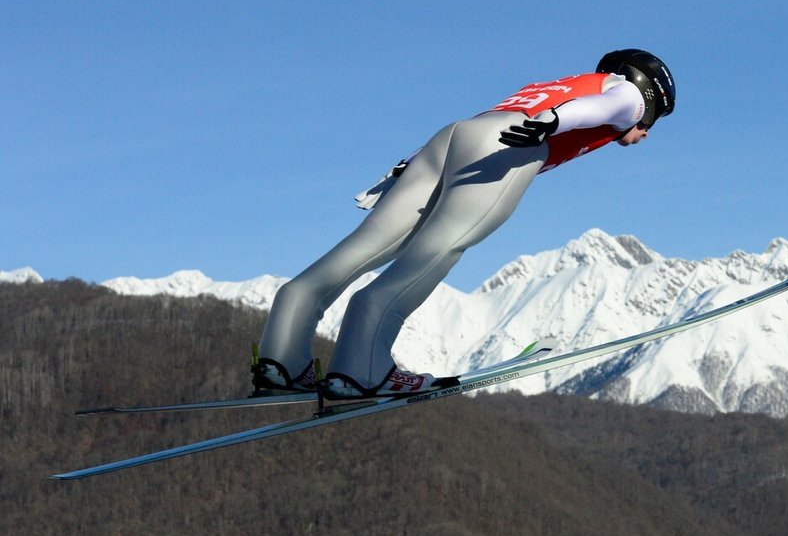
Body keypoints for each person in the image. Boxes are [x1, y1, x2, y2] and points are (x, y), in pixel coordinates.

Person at [252, 49, 676, 399]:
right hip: (512, 145)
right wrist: (554, 122)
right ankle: (361, 369)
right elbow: (607, 107)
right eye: (654, 119)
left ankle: (281, 358)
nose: (646, 130)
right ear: (648, 93)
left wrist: (401, 171)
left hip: (453, 138)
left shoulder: (558, 84)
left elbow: (481, 123)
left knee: (363, 247)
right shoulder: (625, 95)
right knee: (435, 250)